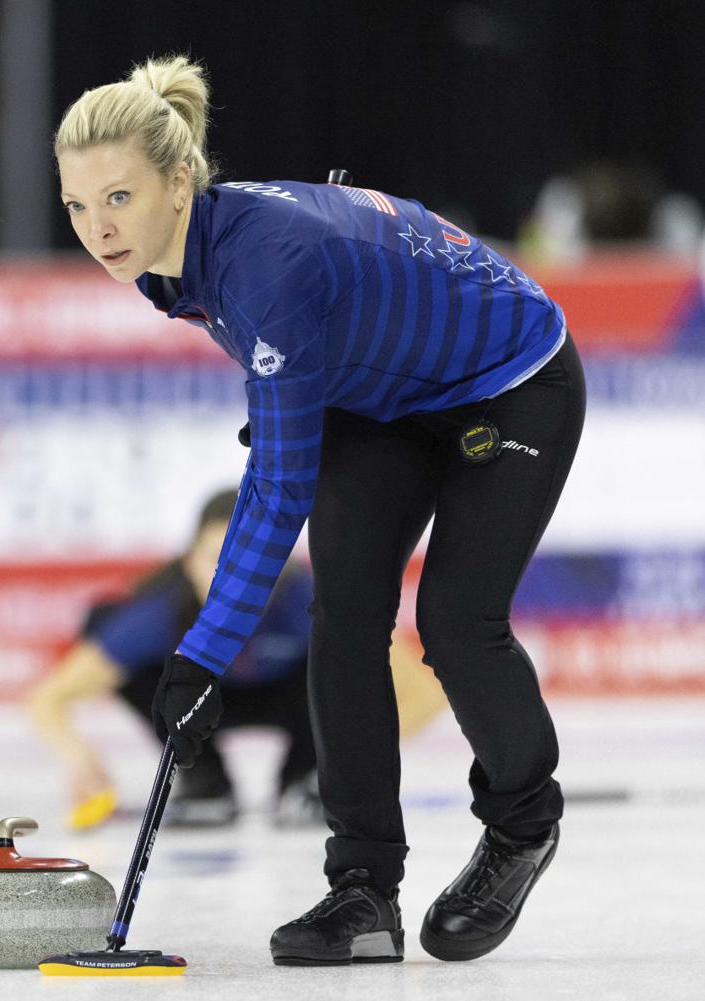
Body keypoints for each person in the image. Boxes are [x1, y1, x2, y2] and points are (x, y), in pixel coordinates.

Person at [54, 57, 584, 966]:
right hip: (378, 395)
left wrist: (202, 654)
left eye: (119, 198)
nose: (98, 229)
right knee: (344, 617)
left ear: (180, 183)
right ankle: (363, 890)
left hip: (510, 380)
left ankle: (521, 824)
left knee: (455, 621)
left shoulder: (269, 268)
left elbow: (277, 493)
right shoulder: (171, 260)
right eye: (76, 207)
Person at [26, 489, 444, 833]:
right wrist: (79, 757)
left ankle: (306, 776)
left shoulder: (312, 597)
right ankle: (205, 779)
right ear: (188, 562)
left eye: (251, 560)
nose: (232, 579)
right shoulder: (157, 612)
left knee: (333, 660)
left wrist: (345, 763)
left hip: (297, 702)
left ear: (279, 564)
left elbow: (424, 696)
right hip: (196, 707)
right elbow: (49, 699)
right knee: (131, 658)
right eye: (214, 559)